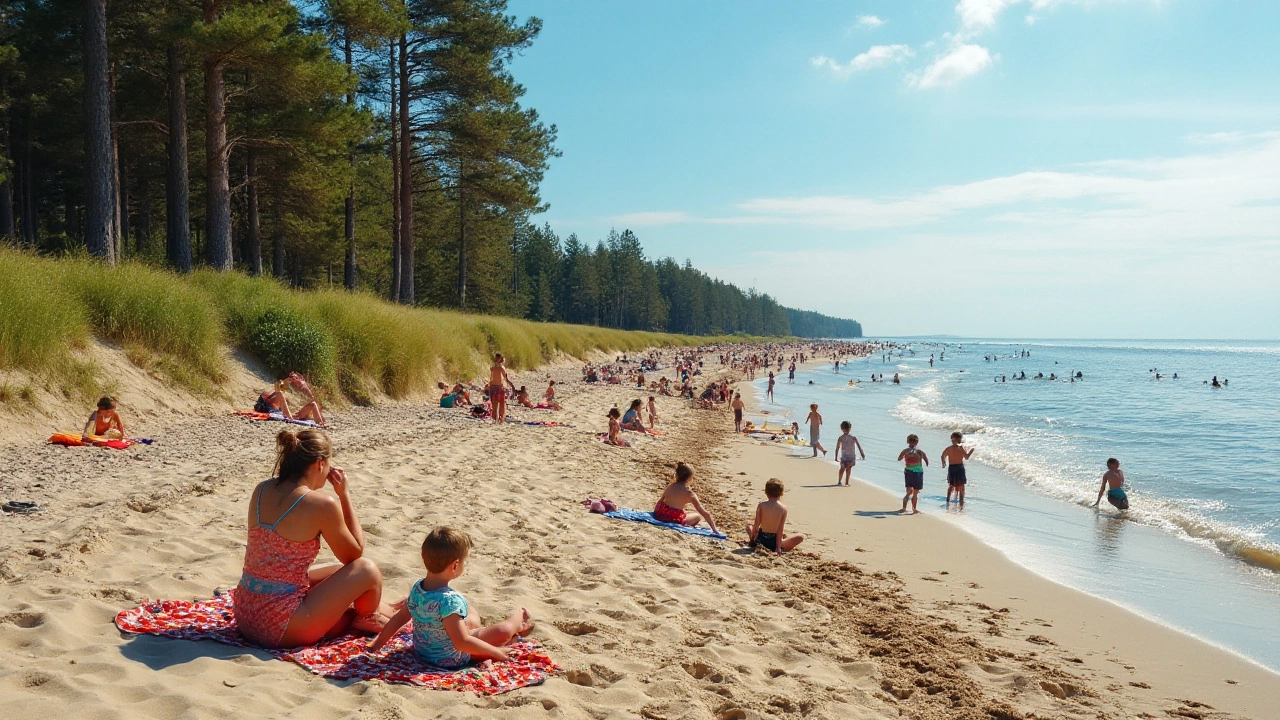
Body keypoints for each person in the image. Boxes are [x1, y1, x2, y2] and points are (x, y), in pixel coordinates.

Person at [232, 429, 394, 647]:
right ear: (319, 464)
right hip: (280, 627)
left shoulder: (261, 489)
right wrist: (344, 495)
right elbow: (354, 554)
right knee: (366, 570)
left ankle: (368, 612)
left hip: (246, 615)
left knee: (338, 573)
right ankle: (367, 616)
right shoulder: (321, 504)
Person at [369, 527, 532, 666]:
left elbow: (400, 617)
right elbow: (461, 642)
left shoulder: (418, 589)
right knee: (502, 632)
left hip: (423, 653)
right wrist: (497, 653)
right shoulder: (450, 601)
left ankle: (481, 626)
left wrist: (378, 643)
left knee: (469, 617)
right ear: (455, 565)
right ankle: (519, 617)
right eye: (464, 562)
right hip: (452, 658)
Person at [653, 462, 719, 533]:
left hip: (661, 514)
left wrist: (656, 514)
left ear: (677, 475)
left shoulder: (671, 486)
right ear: (690, 477)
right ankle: (684, 524)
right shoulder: (690, 493)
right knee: (697, 516)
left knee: (688, 512)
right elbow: (704, 512)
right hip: (674, 519)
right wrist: (714, 529)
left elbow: (660, 501)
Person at [745, 479, 805, 554]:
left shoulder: (762, 505)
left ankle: (753, 539)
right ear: (782, 493)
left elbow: (756, 526)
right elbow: (780, 529)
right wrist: (778, 547)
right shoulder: (783, 508)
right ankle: (783, 542)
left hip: (760, 540)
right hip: (774, 542)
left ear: (766, 492)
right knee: (801, 536)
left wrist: (752, 541)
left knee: (749, 526)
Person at [256, 376, 326, 426]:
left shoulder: (276, 396)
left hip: (287, 414)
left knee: (313, 404)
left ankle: (321, 424)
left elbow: (278, 389)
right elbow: (277, 390)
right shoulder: (273, 397)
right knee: (279, 393)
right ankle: (320, 424)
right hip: (284, 414)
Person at [940, 431, 975, 504]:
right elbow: (943, 455)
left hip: (959, 467)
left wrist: (970, 452)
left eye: (954, 440)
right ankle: (948, 499)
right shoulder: (950, 448)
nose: (953, 442)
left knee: (961, 485)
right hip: (954, 467)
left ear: (959, 440)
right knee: (951, 485)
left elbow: (966, 457)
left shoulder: (959, 448)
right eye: (952, 440)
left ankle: (961, 501)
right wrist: (943, 463)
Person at [897, 434, 928, 514]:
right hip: (909, 471)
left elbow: (924, 457)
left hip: (918, 471)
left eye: (914, 442)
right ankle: (904, 508)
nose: (913, 443)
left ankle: (914, 509)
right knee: (909, 491)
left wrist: (926, 461)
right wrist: (903, 456)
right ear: (908, 442)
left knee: (916, 492)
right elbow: (899, 458)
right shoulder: (906, 451)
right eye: (911, 442)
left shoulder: (919, 451)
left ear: (917, 442)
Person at [833, 421, 865, 486]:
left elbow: (837, 448)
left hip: (845, 456)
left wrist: (836, 457)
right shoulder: (853, 437)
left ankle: (840, 481)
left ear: (841, 429)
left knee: (842, 468)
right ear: (850, 428)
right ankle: (846, 482)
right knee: (848, 469)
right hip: (851, 456)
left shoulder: (841, 438)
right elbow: (859, 446)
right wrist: (862, 454)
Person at [488, 354, 517, 423]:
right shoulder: (501, 368)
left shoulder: (492, 368)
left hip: (492, 387)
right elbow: (505, 378)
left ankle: (495, 419)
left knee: (494, 404)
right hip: (499, 387)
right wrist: (512, 386)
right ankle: (501, 419)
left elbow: (491, 378)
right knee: (501, 404)